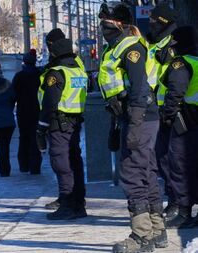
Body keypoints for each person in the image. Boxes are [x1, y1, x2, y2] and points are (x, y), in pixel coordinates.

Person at [97, 2, 167, 252]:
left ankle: (142, 235)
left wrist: (134, 124)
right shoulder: (116, 47)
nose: (102, 28)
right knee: (145, 171)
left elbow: (138, 89)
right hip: (136, 117)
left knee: (133, 173)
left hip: (140, 117)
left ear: (120, 24)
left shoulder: (131, 48)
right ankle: (157, 230)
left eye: (106, 23)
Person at [36, 34, 88, 221]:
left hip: (59, 123)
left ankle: (67, 205)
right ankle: (78, 203)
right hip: (74, 122)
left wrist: (41, 128)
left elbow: (50, 102)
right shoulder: (78, 69)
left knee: (62, 164)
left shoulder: (57, 72)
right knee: (75, 162)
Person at [161, 26, 198, 229]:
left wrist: (167, 116)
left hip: (185, 124)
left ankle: (184, 212)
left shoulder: (180, 64)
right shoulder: (196, 61)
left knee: (180, 167)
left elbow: (175, 92)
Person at [146, 3, 179, 221]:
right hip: (157, 107)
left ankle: (178, 203)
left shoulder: (173, 43)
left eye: (154, 19)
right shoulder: (154, 43)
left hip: (174, 108)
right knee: (162, 157)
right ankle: (173, 199)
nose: (151, 23)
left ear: (164, 22)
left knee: (173, 159)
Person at [13, 49, 42, 175]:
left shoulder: (19, 76)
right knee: (35, 138)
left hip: (23, 111)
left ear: (24, 62)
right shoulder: (39, 75)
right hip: (37, 110)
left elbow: (13, 94)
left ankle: (24, 165)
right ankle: (35, 166)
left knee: (23, 137)